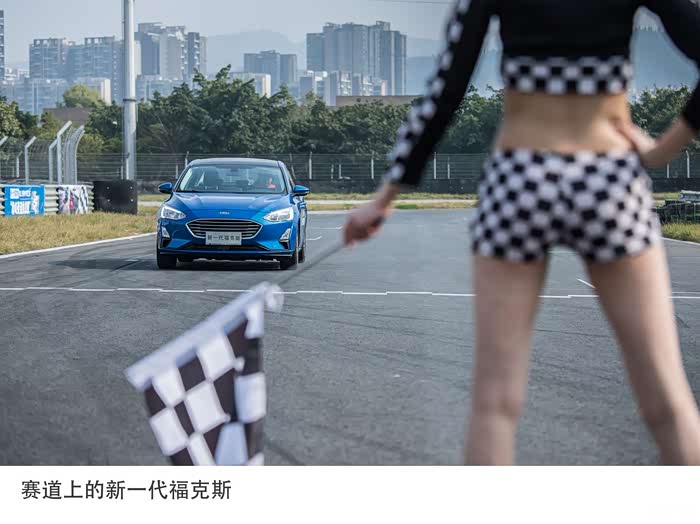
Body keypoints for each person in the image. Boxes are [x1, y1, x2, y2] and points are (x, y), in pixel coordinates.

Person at [343, 0, 700, 465]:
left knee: (495, 403)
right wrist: (661, 151)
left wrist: (385, 196)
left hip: (520, 173)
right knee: (668, 403)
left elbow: (445, 90)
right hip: (608, 174)